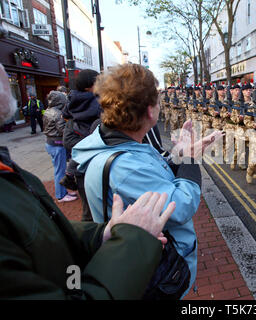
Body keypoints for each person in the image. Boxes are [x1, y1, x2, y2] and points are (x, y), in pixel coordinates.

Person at [0, 62, 175, 299]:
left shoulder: (7, 171)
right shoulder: (123, 161)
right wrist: (132, 240)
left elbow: (41, 231)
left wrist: (102, 233)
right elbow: (178, 204)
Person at [72, 64, 223, 298]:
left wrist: (180, 155)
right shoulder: (125, 166)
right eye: (158, 101)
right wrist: (191, 160)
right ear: (151, 111)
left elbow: (156, 175)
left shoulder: (125, 145)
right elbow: (181, 205)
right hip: (158, 272)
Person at [60, 69, 101, 221]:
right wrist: (94, 143)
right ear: (88, 86)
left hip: (81, 164)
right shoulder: (97, 102)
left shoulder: (72, 101)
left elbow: (65, 117)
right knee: (93, 210)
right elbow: (67, 140)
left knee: (89, 210)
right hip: (90, 166)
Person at [43, 91, 77, 202]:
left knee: (58, 169)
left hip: (49, 143)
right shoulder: (57, 114)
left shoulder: (47, 111)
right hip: (57, 144)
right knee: (60, 171)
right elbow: (62, 130)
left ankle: (62, 192)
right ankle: (61, 195)